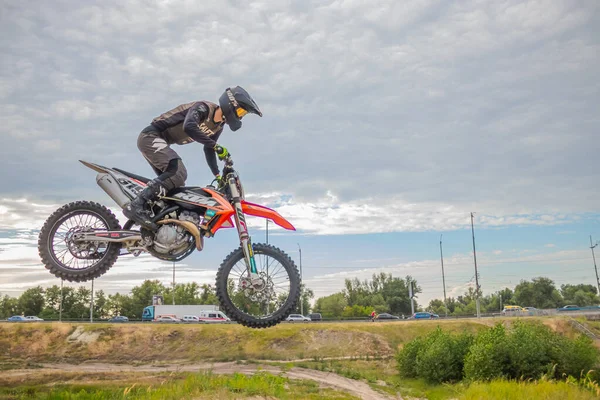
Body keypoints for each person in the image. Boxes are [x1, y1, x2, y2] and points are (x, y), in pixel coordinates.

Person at [123, 86, 262, 230]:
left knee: (174, 186)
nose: (240, 115)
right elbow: (189, 126)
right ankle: (136, 206)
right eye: (240, 111)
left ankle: (153, 221)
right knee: (178, 173)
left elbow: (208, 149)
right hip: (151, 136)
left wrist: (217, 175)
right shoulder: (203, 108)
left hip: (160, 141)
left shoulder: (218, 126)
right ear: (231, 104)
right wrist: (216, 146)